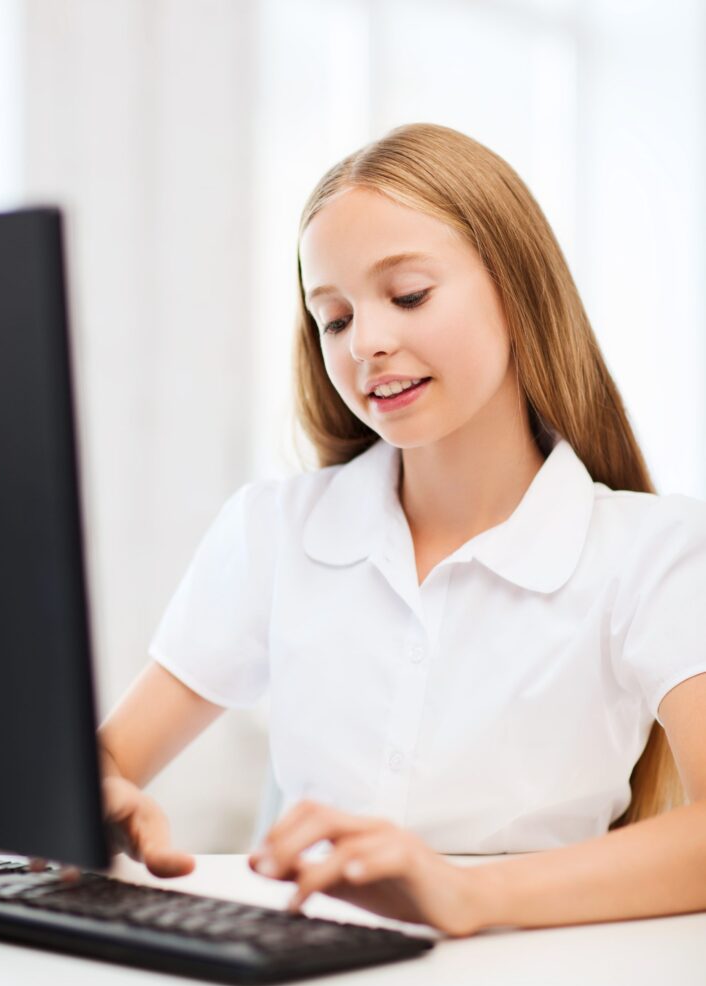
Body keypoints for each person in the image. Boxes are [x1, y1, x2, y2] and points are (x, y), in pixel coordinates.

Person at [98, 123, 706, 937]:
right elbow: (103, 764)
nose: (368, 344)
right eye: (335, 317)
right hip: (313, 980)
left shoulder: (652, 551)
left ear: (518, 288)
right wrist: (97, 802)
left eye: (408, 295)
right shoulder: (274, 531)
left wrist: (469, 898)